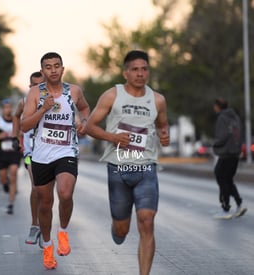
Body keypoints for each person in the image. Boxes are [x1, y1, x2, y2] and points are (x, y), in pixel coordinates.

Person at [85, 50, 170, 275]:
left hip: (146, 167)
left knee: (146, 220)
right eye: (135, 69)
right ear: (125, 73)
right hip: (118, 168)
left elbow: (162, 124)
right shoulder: (112, 95)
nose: (140, 74)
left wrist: (164, 135)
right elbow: (89, 127)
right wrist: (113, 138)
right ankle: (118, 228)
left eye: (144, 69)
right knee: (122, 230)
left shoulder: (158, 99)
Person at [21, 52, 90, 269]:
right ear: (42, 71)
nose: (53, 70)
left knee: (65, 193)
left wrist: (84, 122)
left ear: (62, 69)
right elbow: (24, 126)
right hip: (41, 155)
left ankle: (63, 232)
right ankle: (48, 246)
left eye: (56, 66)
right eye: (48, 67)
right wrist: (43, 108)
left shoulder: (74, 91)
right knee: (45, 204)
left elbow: (85, 108)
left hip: (66, 151)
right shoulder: (34, 93)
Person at [12, 71, 45, 245]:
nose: (38, 88)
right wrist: (15, 137)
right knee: (36, 187)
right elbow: (16, 116)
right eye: (35, 85)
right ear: (30, 86)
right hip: (30, 153)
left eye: (42, 85)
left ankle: (44, 228)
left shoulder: (52, 102)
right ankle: (34, 225)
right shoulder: (24, 102)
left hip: (49, 151)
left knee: (46, 193)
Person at [212, 98, 247, 219]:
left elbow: (222, 136)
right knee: (228, 179)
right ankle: (239, 204)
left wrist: (215, 144)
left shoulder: (222, 117)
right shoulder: (235, 117)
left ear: (217, 106)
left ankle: (225, 208)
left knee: (220, 177)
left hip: (226, 153)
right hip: (235, 153)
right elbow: (240, 134)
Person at [0, 99, 22, 215]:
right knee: (3, 179)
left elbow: (24, 132)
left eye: (10, 107)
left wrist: (17, 134)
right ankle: (5, 184)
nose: (9, 109)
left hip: (14, 152)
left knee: (13, 173)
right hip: (1, 153)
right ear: (2, 109)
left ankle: (11, 204)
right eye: (6, 107)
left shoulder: (16, 120)